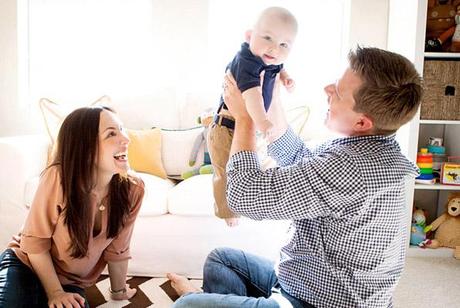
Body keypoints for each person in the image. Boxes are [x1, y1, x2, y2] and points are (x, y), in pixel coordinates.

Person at [168, 46, 423, 307]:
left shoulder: (351, 170)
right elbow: (297, 155)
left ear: (362, 122)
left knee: (185, 306)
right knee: (220, 260)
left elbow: (243, 196)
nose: (327, 89)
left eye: (337, 90)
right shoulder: (373, 148)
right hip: (302, 281)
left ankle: (196, 300)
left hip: (318, 303)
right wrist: (272, 94)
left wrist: (243, 119)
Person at [0, 106, 145, 307]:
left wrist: (119, 292)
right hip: (27, 265)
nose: (126, 139)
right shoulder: (59, 178)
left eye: (122, 129)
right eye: (111, 133)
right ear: (85, 147)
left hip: (71, 281)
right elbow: (35, 243)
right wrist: (55, 293)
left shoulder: (133, 189)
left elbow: (118, 248)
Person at [209, 6, 298, 227]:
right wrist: (263, 122)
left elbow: (278, 67)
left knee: (249, 168)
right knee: (223, 170)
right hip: (225, 127)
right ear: (249, 36)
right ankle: (226, 211)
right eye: (267, 38)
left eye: (283, 44)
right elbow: (251, 96)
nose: (274, 48)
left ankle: (245, 204)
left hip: (241, 127)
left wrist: (285, 77)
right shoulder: (247, 61)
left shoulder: (270, 58)